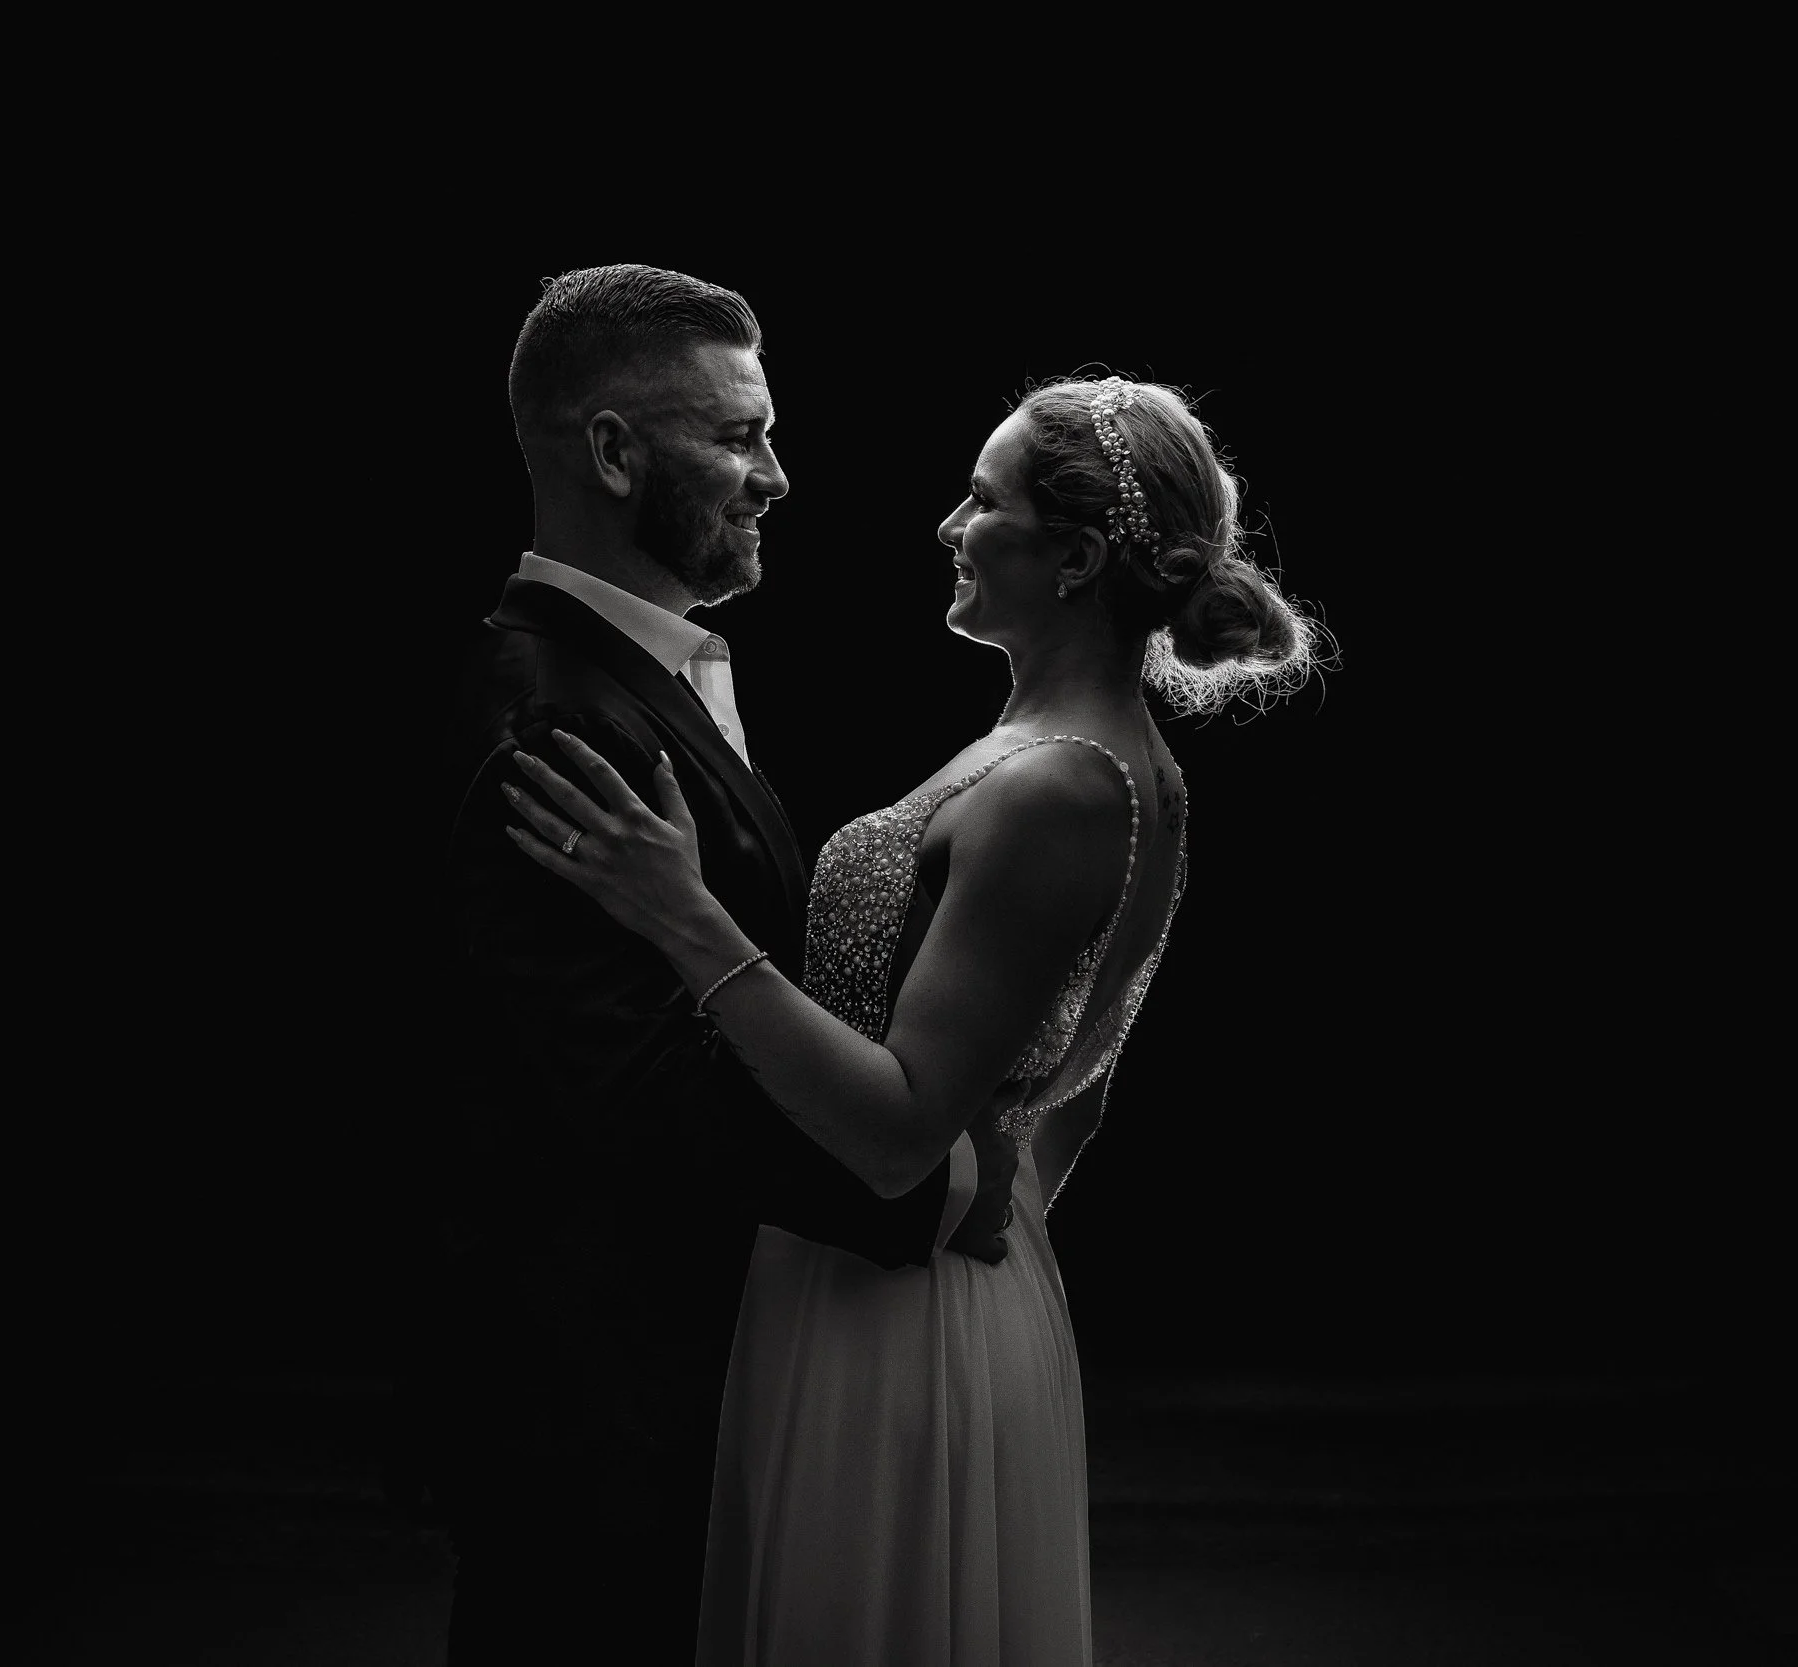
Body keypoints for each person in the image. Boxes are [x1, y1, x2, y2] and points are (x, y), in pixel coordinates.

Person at [504, 370, 1330, 1665]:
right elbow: (1076, 1083)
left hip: (882, 1295)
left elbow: (893, 1136)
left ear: (1073, 556)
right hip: (924, 1279)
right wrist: (986, 1199)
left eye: (982, 499)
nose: (949, 525)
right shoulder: (1104, 760)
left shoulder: (1057, 786)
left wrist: (681, 913)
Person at [401, 265, 1020, 1667]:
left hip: (681, 1386)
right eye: (740, 435)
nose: (780, 476)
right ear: (615, 452)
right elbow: (642, 1089)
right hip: (600, 1414)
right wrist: (931, 1181)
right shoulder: (550, 722)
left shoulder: (631, 678)